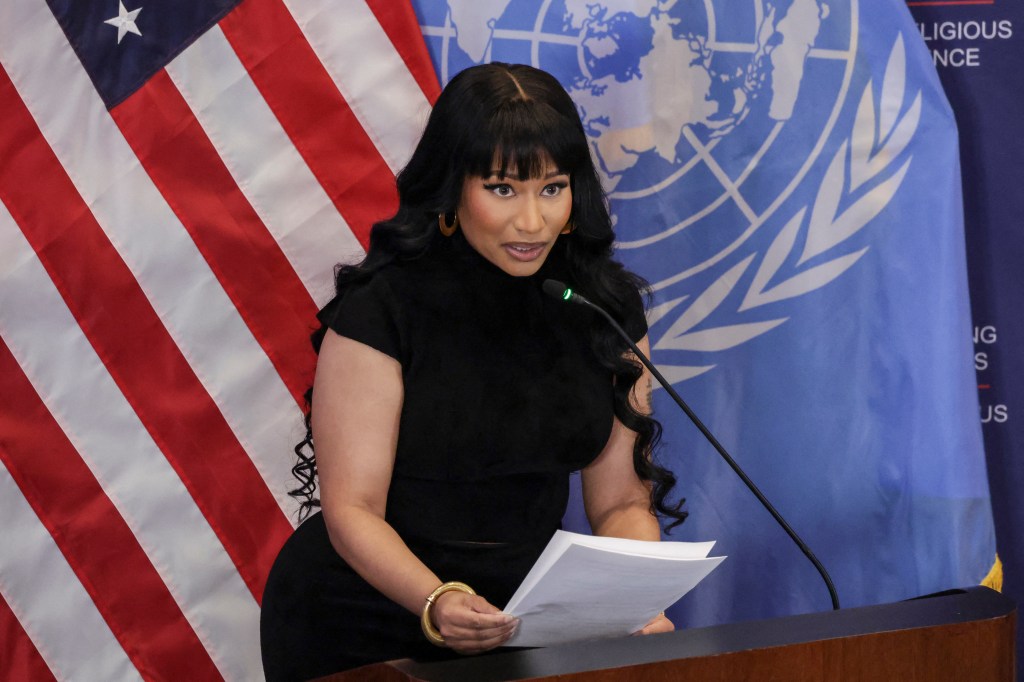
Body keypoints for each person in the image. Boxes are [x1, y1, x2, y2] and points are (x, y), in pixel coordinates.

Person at [259, 62, 687, 680]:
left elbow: (621, 500)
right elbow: (353, 509)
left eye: (552, 188)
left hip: (525, 619)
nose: (532, 221)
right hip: (366, 617)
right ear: (453, 188)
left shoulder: (603, 308)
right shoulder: (384, 308)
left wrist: (632, 598)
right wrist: (437, 601)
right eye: (503, 189)